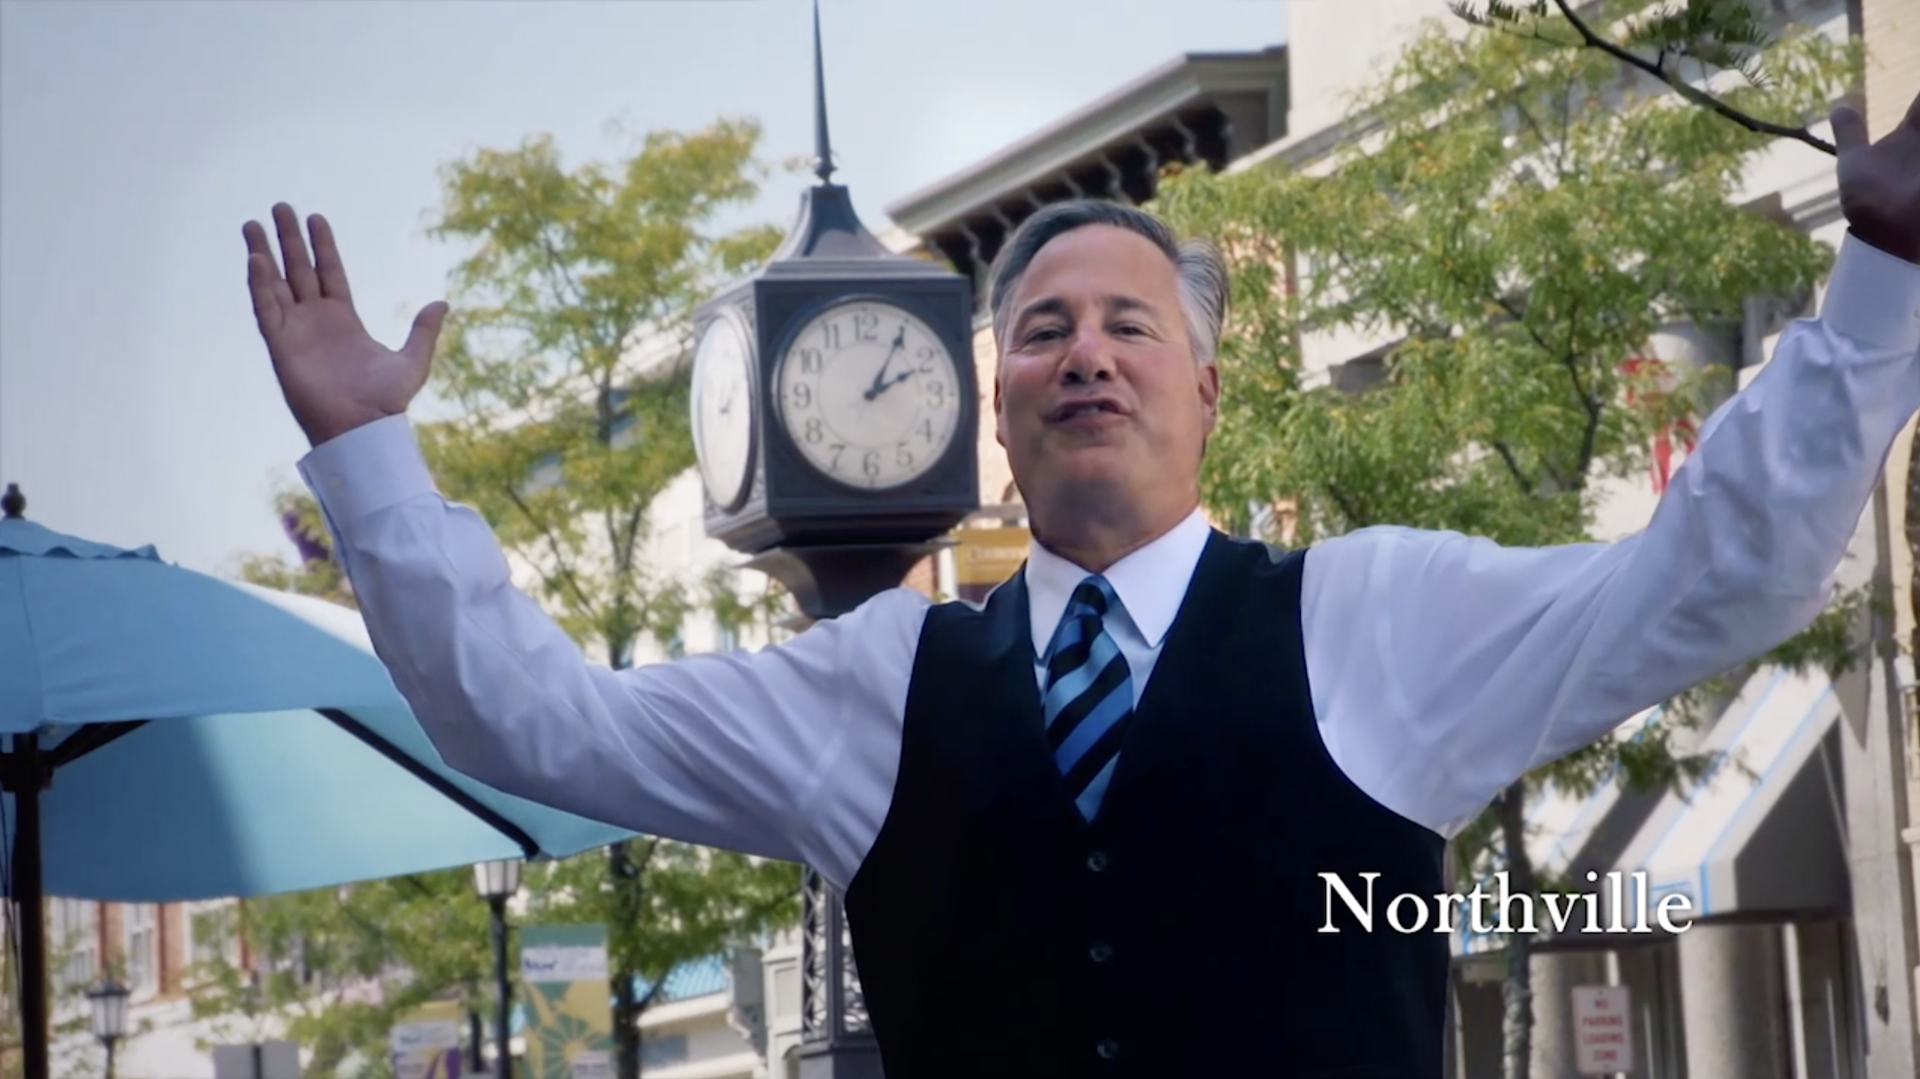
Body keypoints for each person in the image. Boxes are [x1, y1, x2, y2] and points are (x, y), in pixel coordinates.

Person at [246, 95, 1920, 1077]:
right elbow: (534, 719)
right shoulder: (874, 679)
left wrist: (1880, 278)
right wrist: (376, 461)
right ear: (995, 409)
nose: (1086, 356)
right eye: (1043, 329)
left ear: (1207, 390)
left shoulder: (1379, 617)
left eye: (1132, 325)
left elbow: (1721, 575)